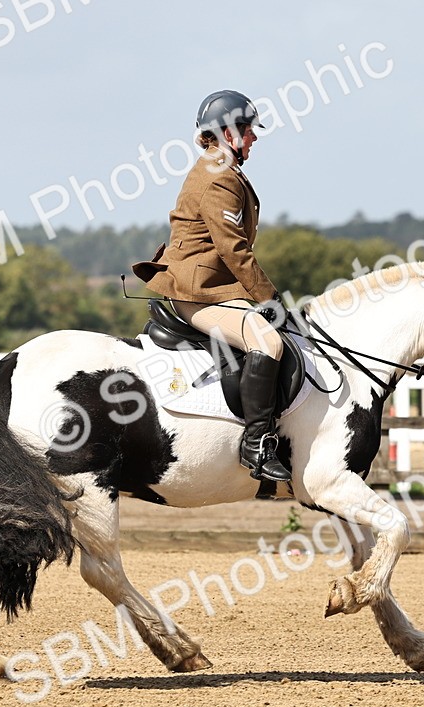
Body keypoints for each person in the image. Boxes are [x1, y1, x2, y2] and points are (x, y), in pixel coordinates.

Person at [131, 90, 291, 482]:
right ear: (227, 131)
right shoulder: (218, 178)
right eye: (249, 130)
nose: (254, 138)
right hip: (196, 291)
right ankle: (256, 443)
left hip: (213, 287)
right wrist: (272, 300)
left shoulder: (223, 170)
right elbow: (234, 251)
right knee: (268, 343)